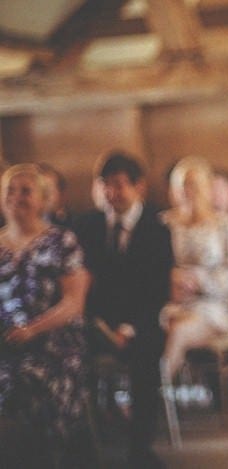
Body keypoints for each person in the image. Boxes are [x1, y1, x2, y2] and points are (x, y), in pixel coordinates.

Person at [73, 151, 174, 468]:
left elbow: (157, 290)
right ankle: (85, 443)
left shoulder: (157, 227)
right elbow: (83, 283)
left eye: (118, 185)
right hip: (96, 322)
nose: (110, 193)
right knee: (71, 355)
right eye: (105, 185)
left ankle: (140, 449)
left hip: (140, 322)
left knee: (146, 360)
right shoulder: (87, 224)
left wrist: (129, 328)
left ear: (138, 187)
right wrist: (98, 324)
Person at [0, 164, 95, 468]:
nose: (17, 197)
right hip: (6, 345)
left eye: (25, 191)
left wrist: (32, 329)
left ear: (42, 200)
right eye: (9, 191)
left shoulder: (62, 241)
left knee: (22, 383)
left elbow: (73, 303)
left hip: (54, 345)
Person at [159, 156, 228, 379]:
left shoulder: (225, 225)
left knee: (178, 331)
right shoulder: (164, 223)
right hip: (172, 301)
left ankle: (157, 394)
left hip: (212, 305)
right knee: (153, 326)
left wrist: (199, 280)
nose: (189, 191)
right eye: (183, 185)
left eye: (194, 185)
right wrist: (171, 278)